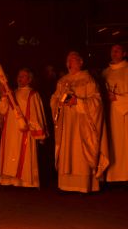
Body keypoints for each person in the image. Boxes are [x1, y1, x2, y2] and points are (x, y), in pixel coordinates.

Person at [51, 51, 109, 193]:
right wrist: (59, 103)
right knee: (67, 151)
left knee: (80, 153)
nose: (69, 63)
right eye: (67, 60)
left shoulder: (88, 79)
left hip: (82, 123)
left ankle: (84, 185)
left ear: (81, 62)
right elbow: (54, 99)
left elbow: (97, 102)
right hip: (66, 123)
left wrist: (78, 102)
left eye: (73, 60)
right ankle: (66, 184)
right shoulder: (62, 81)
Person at [0, 67, 47, 188]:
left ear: (29, 79)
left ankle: (25, 182)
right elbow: (1, 110)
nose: (20, 78)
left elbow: (37, 113)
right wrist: (4, 97)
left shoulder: (33, 94)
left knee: (24, 156)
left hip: (25, 130)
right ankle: (10, 180)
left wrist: (33, 127)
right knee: (10, 154)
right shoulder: (11, 93)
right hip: (10, 129)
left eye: (23, 76)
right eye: (19, 76)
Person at [102, 44, 128, 183]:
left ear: (124, 53)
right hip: (109, 113)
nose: (114, 53)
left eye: (118, 51)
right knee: (111, 144)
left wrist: (117, 98)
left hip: (124, 114)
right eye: (112, 51)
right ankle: (112, 176)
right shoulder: (105, 72)